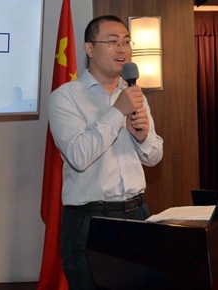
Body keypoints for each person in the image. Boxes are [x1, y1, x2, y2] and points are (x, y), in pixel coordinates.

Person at [48, 15, 164, 290]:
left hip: (137, 214)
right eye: (112, 42)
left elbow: (154, 156)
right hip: (91, 221)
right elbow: (78, 157)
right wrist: (116, 112)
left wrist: (143, 137)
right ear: (89, 49)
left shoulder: (134, 94)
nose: (122, 49)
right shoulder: (66, 97)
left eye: (126, 42)